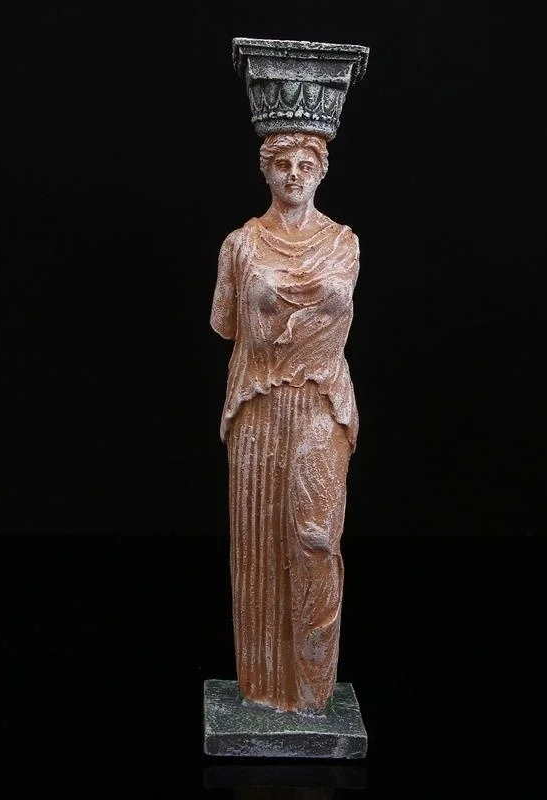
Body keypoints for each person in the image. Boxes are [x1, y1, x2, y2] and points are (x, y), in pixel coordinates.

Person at [210, 131, 360, 714]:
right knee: (257, 541)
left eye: (305, 164)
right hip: (257, 401)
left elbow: (335, 319)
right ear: (266, 171)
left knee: (316, 536)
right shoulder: (239, 244)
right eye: (282, 163)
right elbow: (224, 322)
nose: (294, 173)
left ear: (321, 171)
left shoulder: (344, 243)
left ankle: (312, 689)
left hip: (321, 400)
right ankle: (264, 690)